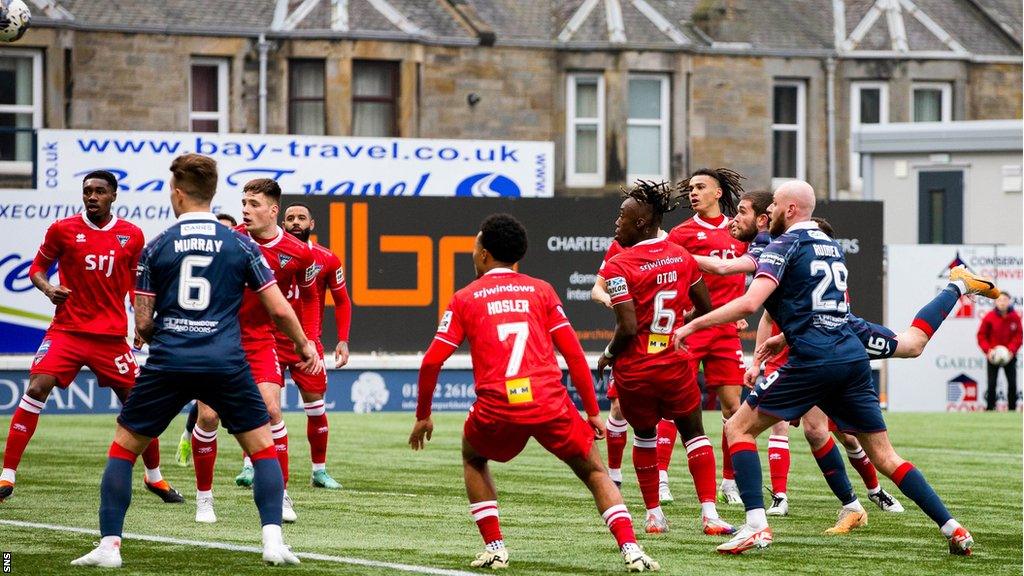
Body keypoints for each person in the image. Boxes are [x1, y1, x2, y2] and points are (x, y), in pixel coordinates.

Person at [673, 180, 975, 556]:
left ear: (790, 210)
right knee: (885, 451)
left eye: (771, 209)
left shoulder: (781, 244)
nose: (766, 216)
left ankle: (756, 527)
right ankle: (953, 527)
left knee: (738, 428)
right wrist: (781, 340)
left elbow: (749, 301)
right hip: (848, 349)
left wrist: (693, 323)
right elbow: (816, 303)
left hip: (816, 356)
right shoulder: (830, 245)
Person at [71, 153, 319, 567]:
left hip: (169, 360)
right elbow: (278, 309)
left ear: (178, 193)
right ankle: (273, 543)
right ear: (211, 193)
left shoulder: (158, 245)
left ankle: (109, 547)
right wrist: (305, 345)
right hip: (225, 360)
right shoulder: (240, 243)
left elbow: (144, 323)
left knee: (123, 449)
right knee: (262, 449)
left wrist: (165, 326)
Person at [409, 214, 659, 572]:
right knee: (595, 472)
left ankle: (496, 547)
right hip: (548, 401)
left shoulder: (465, 298)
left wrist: (423, 416)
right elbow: (573, 353)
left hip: (498, 406)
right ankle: (631, 549)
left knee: (474, 458)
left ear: (483, 255)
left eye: (475, 245)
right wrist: (591, 411)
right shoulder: (541, 289)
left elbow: (431, 362)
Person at [1, 171, 181, 505]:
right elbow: (37, 268)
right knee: (37, 387)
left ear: (113, 195)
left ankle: (154, 477)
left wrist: (141, 322)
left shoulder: (131, 235)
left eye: (99, 191)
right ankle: (7, 475)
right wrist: (48, 288)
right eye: (87, 191)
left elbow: (133, 282)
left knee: (139, 402)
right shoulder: (62, 229)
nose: (92, 196)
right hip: (67, 331)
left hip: (110, 338)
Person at [596, 181, 734, 536]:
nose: (616, 223)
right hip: (674, 363)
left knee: (643, 437)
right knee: (695, 435)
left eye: (622, 217)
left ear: (641, 223)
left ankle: (654, 515)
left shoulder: (619, 264)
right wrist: (678, 324)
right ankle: (709, 514)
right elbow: (705, 307)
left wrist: (609, 354)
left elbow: (627, 326)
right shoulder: (682, 255)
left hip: (635, 370)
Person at [191, 178, 317, 525]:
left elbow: (306, 297)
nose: (245, 209)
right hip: (219, 338)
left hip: (261, 340)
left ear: (274, 210)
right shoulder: (230, 243)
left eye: (254, 204)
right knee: (208, 417)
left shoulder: (299, 252)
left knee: (272, 411)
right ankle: (204, 499)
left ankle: (281, 494)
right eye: (243, 202)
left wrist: (310, 340)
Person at [666, 167, 748, 504]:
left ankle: (730, 483)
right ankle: (660, 479)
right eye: (690, 188)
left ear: (717, 193)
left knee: (734, 408)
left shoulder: (739, 231)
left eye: (700, 187)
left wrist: (742, 311)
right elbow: (666, 277)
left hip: (726, 331)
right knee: (675, 404)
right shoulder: (680, 233)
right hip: (693, 328)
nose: (693, 193)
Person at [591, 228, 679, 503]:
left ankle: (662, 478)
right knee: (619, 407)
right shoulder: (620, 245)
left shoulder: (671, 245)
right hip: (631, 338)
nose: (619, 222)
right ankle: (614, 475)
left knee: (670, 410)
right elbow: (597, 287)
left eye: (625, 216)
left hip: (666, 339)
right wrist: (607, 298)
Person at [279, 203, 353, 489]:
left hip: (308, 345)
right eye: (290, 218)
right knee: (265, 408)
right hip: (270, 341)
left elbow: (343, 301)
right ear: (282, 223)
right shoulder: (270, 253)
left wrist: (343, 339)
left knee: (316, 407)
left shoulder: (328, 260)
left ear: (312, 222)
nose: (295, 222)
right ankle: (250, 466)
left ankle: (319, 471)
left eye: (301, 218)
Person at [175, 209, 240, 467]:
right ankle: (187, 436)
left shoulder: (241, 260)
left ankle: (249, 466)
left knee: (258, 407)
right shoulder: (198, 266)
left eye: (229, 230)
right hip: (209, 342)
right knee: (208, 408)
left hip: (241, 340)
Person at [977, 292, 1022, 411]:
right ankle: (990, 408)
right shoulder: (989, 317)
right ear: (996, 302)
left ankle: (1012, 409)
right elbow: (981, 336)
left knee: (1012, 384)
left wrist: (1011, 351)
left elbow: (1018, 337)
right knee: (992, 384)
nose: (1002, 302)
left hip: (1010, 356)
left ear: (1009, 301)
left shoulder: (1015, 317)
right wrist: (989, 351)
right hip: (993, 356)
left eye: (1005, 300)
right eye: (1000, 300)